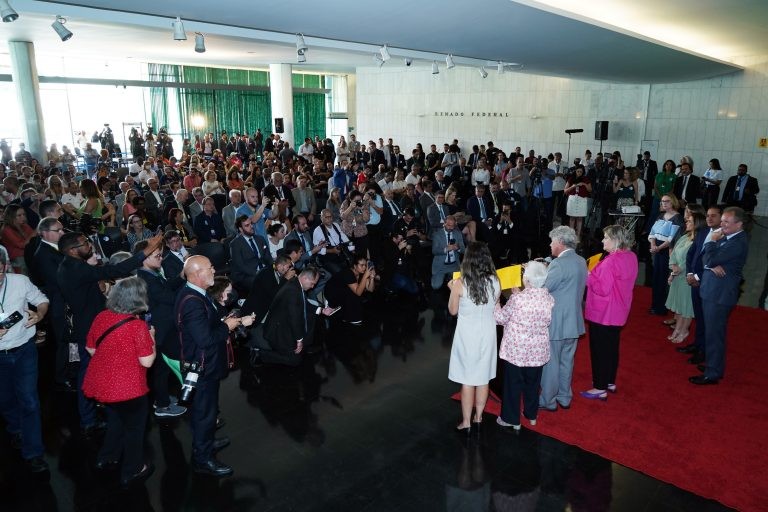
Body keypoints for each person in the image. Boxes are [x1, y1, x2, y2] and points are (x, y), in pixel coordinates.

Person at [57, 231, 163, 434]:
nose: (89, 245)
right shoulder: (76, 269)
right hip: (90, 328)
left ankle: (99, 407)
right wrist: (146, 251)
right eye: (84, 243)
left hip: (90, 325)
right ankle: (89, 418)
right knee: (88, 371)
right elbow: (117, 269)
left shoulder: (68, 266)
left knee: (95, 368)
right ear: (72, 250)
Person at [82, 277, 156, 487]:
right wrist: (152, 339)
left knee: (115, 421)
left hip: (104, 385)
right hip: (129, 389)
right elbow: (148, 361)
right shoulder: (138, 326)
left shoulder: (102, 316)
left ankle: (107, 457)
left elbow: (91, 349)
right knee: (134, 429)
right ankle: (133, 470)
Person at [175, 255, 242, 476]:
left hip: (205, 365)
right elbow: (205, 339)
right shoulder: (193, 302)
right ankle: (202, 459)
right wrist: (228, 327)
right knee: (205, 413)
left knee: (205, 410)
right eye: (210, 268)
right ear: (196, 274)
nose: (214, 271)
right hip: (203, 368)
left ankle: (206, 443)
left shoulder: (195, 294)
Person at [0, 251, 50, 473]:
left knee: (29, 401)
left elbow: (41, 300)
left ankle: (34, 453)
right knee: (5, 399)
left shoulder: (20, 282)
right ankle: (15, 428)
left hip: (24, 350)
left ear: (5, 266)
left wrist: (39, 314)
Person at [690, 207, 749, 385]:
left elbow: (708, 258)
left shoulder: (737, 242)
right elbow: (705, 259)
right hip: (712, 291)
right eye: (722, 220)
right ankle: (712, 365)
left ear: (739, 224)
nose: (721, 225)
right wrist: (710, 263)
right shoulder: (728, 237)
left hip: (720, 295)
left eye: (726, 222)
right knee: (711, 331)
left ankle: (713, 373)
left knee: (715, 334)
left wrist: (712, 244)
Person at [447, 242, 501, 434]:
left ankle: (466, 421)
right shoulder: (495, 280)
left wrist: (451, 289)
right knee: (483, 377)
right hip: (487, 333)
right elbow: (496, 306)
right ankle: (479, 417)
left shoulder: (460, 283)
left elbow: (452, 311)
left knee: (467, 379)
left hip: (467, 335)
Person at [494, 261, 554, 430]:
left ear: (527, 280)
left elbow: (500, 318)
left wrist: (497, 303)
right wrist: (519, 294)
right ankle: (531, 415)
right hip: (537, 351)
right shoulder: (548, 298)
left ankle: (511, 419)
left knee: (513, 385)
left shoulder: (517, 299)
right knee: (533, 385)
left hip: (516, 350)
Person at [581, 225, 638, 400]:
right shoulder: (631, 256)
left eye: (606, 237)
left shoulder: (611, 261)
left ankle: (599, 386)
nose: (603, 240)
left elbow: (602, 288)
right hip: (619, 310)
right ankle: (609, 381)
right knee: (612, 348)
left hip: (603, 312)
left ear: (615, 241)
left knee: (599, 350)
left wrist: (588, 275)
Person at [134, 240, 186, 418]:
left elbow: (167, 287)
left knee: (162, 368)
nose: (161, 258)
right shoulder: (146, 279)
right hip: (162, 331)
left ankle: (162, 400)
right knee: (168, 366)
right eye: (157, 256)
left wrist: (180, 277)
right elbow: (169, 297)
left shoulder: (152, 274)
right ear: (144, 258)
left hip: (164, 328)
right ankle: (165, 404)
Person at [539, 226, 587, 412]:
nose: (550, 245)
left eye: (552, 241)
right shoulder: (581, 260)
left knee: (551, 364)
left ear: (560, 242)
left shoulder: (558, 264)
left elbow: (544, 289)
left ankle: (548, 401)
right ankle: (564, 397)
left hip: (557, 323)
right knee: (567, 361)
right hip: (574, 322)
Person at [261, 266, 334, 366]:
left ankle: (305, 345)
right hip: (278, 328)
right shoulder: (293, 292)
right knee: (295, 360)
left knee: (311, 316)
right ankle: (261, 354)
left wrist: (321, 310)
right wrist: (299, 340)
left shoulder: (296, 283)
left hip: (285, 320)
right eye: (312, 283)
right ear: (305, 278)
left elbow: (304, 303)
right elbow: (294, 319)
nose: (313, 287)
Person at [679, 206, 723, 364]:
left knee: (706, 320)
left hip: (708, 284)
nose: (709, 219)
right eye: (708, 216)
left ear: (721, 218)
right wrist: (690, 274)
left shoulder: (723, 237)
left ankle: (703, 351)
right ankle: (697, 345)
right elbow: (692, 253)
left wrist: (697, 276)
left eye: (714, 216)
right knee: (698, 316)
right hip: (694, 280)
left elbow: (717, 264)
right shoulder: (703, 231)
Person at [665, 212, 705, 344]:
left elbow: (693, 260)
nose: (686, 222)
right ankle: (678, 329)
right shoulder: (685, 237)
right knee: (680, 307)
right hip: (678, 276)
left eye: (689, 221)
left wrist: (679, 269)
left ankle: (684, 330)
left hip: (687, 278)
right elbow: (674, 253)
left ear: (696, 224)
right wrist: (673, 267)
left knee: (687, 307)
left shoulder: (699, 241)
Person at [648, 193, 685, 315]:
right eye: (662, 201)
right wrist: (653, 245)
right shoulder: (660, 216)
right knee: (656, 278)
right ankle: (654, 305)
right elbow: (652, 232)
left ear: (673, 202)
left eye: (667, 201)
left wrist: (658, 247)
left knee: (664, 279)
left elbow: (672, 238)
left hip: (667, 251)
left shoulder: (678, 218)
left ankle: (661, 308)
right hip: (657, 251)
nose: (664, 203)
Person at [325, 253, 377, 325]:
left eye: (365, 265)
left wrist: (371, 278)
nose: (364, 267)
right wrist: (365, 276)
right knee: (354, 293)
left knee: (354, 292)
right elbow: (358, 292)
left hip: (342, 291)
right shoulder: (348, 273)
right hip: (331, 292)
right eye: (361, 265)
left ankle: (348, 314)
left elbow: (370, 289)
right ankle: (335, 307)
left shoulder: (362, 273)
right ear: (355, 266)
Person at [229, 215, 273, 291]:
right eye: (247, 225)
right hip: (246, 275)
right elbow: (240, 266)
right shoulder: (235, 244)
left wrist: (274, 268)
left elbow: (268, 257)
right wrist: (258, 273)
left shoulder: (260, 239)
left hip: (262, 270)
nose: (251, 226)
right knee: (263, 282)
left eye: (251, 224)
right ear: (241, 229)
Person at [431, 215, 465, 290]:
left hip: (454, 265)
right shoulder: (437, 234)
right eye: (448, 225)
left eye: (452, 226)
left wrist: (458, 248)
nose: (450, 228)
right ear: (444, 223)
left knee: (462, 286)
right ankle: (447, 278)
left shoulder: (458, 233)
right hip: (441, 266)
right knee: (436, 286)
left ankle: (450, 278)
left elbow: (463, 250)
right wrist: (446, 249)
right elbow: (434, 251)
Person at [1, 204, 35, 274]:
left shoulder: (24, 226)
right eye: (19, 215)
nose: (23, 217)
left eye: (24, 214)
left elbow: (34, 239)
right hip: (18, 260)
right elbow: (22, 245)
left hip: (29, 255)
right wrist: (36, 231)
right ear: (11, 217)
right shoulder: (6, 230)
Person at [564, 165, 591, 238]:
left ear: (583, 172)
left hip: (582, 200)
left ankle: (578, 235)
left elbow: (590, 190)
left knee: (580, 218)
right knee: (572, 218)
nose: (579, 173)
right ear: (575, 171)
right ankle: (571, 235)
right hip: (572, 199)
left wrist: (584, 184)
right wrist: (573, 186)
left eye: (581, 172)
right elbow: (565, 191)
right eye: (578, 171)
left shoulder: (585, 179)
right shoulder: (571, 178)